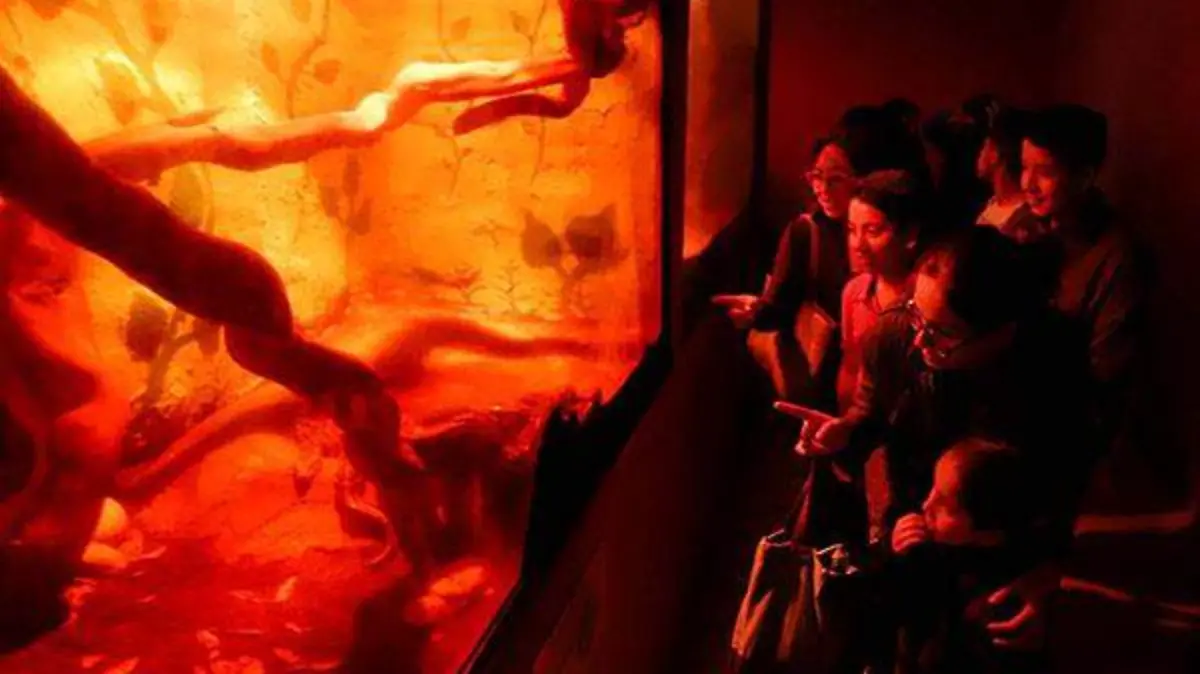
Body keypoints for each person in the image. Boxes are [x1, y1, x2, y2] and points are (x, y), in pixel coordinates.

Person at [795, 226, 1097, 651]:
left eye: (941, 331)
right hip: (918, 524)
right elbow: (873, 412)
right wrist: (846, 432)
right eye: (916, 312)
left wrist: (1047, 575)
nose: (919, 338)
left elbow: (1069, 480)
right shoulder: (897, 334)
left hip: (1001, 545)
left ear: (1002, 330)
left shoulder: (1054, 366)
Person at [715, 104, 928, 407]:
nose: (822, 189)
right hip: (828, 390)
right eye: (816, 176)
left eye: (836, 178)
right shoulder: (808, 232)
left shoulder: (916, 255)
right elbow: (779, 308)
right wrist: (756, 310)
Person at [1021, 104, 1148, 457]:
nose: (1028, 184)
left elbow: (1104, 376)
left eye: (1045, 172)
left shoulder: (1116, 258)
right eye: (1024, 167)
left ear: (1085, 177)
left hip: (1064, 428)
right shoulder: (1028, 225)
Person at [891, 437, 1053, 673]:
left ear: (988, 533)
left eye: (945, 504)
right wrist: (897, 554)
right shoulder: (936, 546)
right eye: (932, 489)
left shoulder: (1004, 599)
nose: (926, 505)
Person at [975, 106, 1044, 242]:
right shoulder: (994, 204)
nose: (979, 153)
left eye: (984, 145)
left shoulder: (1020, 223)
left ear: (995, 153)